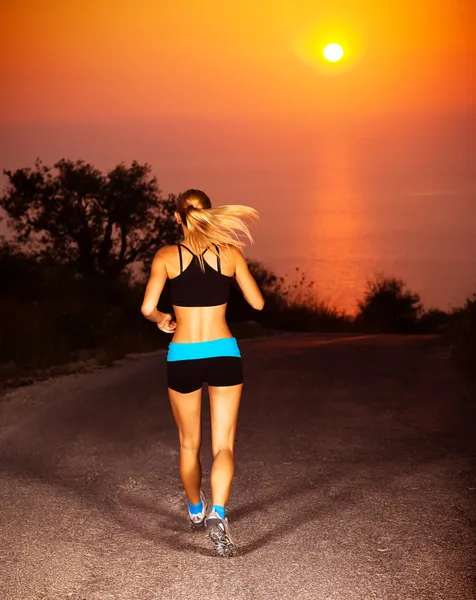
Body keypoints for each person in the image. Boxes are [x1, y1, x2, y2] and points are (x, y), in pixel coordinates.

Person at [141, 189, 264, 557]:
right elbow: (258, 302)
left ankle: (196, 510)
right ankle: (219, 513)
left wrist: (165, 319)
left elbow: (148, 307)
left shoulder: (166, 257)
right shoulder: (230, 254)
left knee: (188, 443)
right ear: (208, 215)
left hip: (183, 356)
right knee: (223, 444)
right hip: (224, 352)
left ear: (177, 217)